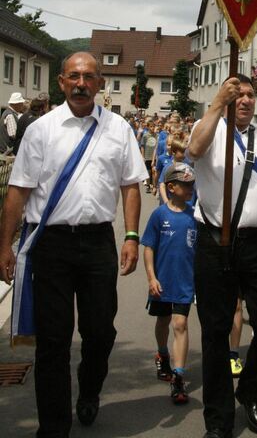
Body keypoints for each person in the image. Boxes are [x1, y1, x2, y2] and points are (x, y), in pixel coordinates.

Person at [0, 52, 146, 437]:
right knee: (53, 341)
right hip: (51, 244)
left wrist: (131, 234)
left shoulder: (119, 129)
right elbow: (17, 191)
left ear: (100, 83)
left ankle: (90, 388)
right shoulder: (41, 129)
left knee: (100, 333)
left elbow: (131, 185)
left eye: (89, 77)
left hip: (99, 242)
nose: (81, 83)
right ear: (62, 82)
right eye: (73, 76)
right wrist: (4, 247)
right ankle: (53, 427)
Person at [187, 73, 257, 438]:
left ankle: (251, 392)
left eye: (251, 95)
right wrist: (218, 103)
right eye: (239, 94)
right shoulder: (208, 128)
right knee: (216, 330)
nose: (247, 100)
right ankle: (218, 418)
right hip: (214, 241)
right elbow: (193, 151)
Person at [141, 163, 197, 405]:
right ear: (172, 187)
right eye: (185, 185)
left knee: (180, 324)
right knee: (163, 322)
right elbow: (149, 247)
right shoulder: (159, 215)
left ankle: (178, 376)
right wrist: (152, 277)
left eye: (192, 185)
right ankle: (163, 354)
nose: (190, 189)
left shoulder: (195, 216)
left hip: (185, 283)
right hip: (162, 283)